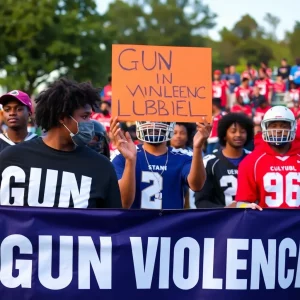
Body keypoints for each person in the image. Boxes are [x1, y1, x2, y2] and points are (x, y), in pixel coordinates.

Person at [0, 78, 121, 208]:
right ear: (62, 118)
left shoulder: (101, 167)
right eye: (85, 117)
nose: (90, 124)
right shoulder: (9, 159)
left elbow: (112, 223)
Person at [110, 118, 211, 209]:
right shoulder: (122, 156)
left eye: (160, 119)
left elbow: (197, 185)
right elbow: (123, 203)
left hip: (170, 226)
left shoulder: (182, 156)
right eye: (149, 120)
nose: (154, 123)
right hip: (136, 226)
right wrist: (130, 161)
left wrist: (197, 148)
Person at [235, 106, 300, 209]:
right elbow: (240, 203)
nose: (278, 130)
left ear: (293, 127)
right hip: (267, 223)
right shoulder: (251, 162)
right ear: (265, 128)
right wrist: (247, 206)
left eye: (283, 125)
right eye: (273, 126)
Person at [195, 113, 253, 208]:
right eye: (233, 131)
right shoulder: (210, 162)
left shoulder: (254, 159)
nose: (238, 135)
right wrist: (225, 210)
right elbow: (201, 202)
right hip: (221, 220)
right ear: (224, 135)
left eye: (242, 131)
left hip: (249, 218)